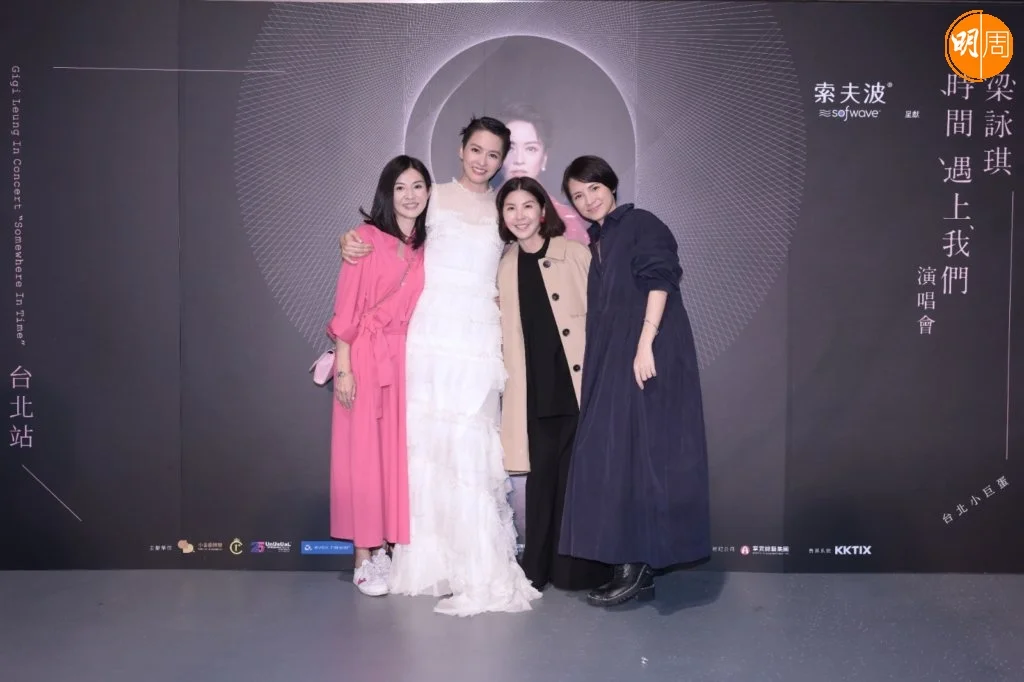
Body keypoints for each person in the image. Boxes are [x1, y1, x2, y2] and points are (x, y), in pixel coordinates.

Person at [338, 117, 541, 616]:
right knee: (423, 449)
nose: (483, 161)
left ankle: (475, 564)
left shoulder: (504, 206)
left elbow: (535, 243)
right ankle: (425, 564)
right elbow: (392, 235)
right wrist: (350, 240)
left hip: (477, 338)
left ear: (503, 161)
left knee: (469, 448)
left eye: (493, 155)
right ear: (461, 149)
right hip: (427, 336)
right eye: (476, 150)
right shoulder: (433, 198)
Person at [558, 155, 711, 607]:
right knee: (619, 456)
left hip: (648, 355)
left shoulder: (642, 223)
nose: (588, 199)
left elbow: (660, 281)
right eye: (578, 195)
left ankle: (637, 564)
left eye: (593, 188)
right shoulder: (599, 241)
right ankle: (630, 562)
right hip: (614, 359)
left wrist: (646, 343)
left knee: (645, 457)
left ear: (610, 185)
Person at [495, 176, 614, 593]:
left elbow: (604, 315)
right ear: (502, 217)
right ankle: (536, 568)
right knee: (542, 480)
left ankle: (577, 570)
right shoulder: (505, 265)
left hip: (578, 387)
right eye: (510, 208)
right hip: (534, 390)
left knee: (577, 481)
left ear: (543, 211)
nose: (520, 216)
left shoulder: (575, 253)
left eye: (528, 206)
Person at [326, 155, 430, 597]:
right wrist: (344, 368)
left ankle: (387, 547)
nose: (410, 195)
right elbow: (347, 309)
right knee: (365, 456)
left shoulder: (428, 245)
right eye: (401, 187)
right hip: (366, 358)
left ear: (429, 192)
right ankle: (363, 558)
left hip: (408, 359)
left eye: (418, 186)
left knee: (395, 457)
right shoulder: (365, 240)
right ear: (388, 193)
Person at [498, 102, 589, 245]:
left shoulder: (566, 220)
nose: (519, 160)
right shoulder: (482, 210)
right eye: (510, 148)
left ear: (544, 158)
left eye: (531, 149)